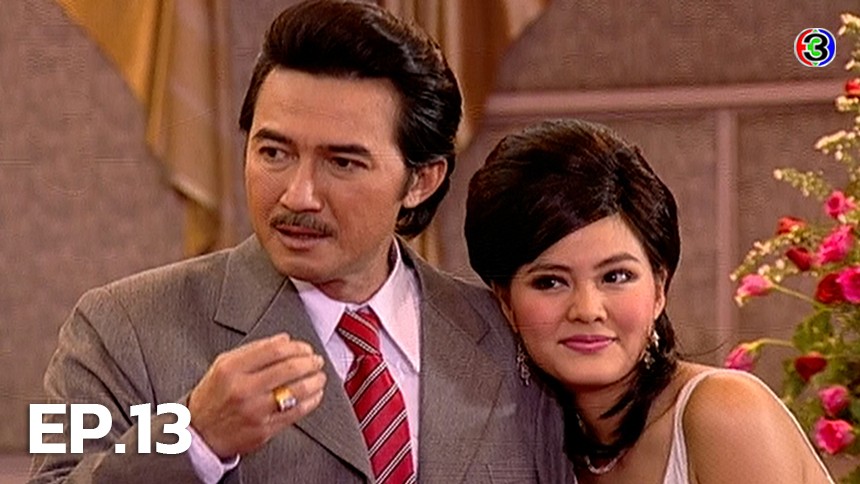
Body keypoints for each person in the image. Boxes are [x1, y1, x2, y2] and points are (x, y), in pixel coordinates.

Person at [29, 2, 568, 483]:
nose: (298, 195)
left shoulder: (510, 339)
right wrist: (194, 440)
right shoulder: (118, 327)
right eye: (274, 153)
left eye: (342, 163)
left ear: (420, 181)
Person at [464, 119, 834, 483]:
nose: (587, 310)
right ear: (506, 303)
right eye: (550, 282)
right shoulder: (539, 450)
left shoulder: (725, 413)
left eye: (615, 277)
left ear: (659, 288)